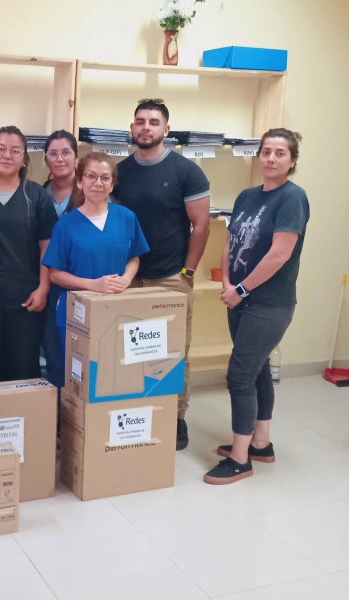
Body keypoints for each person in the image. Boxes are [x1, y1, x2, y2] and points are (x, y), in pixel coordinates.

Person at [204, 128, 308, 484]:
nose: (271, 159)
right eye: (266, 152)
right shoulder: (248, 196)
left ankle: (239, 458)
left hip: (269, 302)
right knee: (258, 368)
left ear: (292, 161)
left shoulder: (292, 198)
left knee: (239, 375)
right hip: (239, 297)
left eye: (280, 153)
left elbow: (280, 254)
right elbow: (230, 241)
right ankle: (260, 443)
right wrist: (227, 284)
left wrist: (243, 289)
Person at [114, 99, 211, 451]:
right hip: (129, 277)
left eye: (153, 122)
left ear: (166, 130)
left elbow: (201, 225)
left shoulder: (186, 171)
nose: (146, 127)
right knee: (129, 351)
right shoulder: (120, 172)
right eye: (139, 121)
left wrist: (187, 271)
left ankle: (176, 418)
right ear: (132, 128)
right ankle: (136, 413)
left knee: (172, 353)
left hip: (170, 276)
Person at [43, 152, 149, 370]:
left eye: (105, 178)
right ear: (80, 182)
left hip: (116, 307)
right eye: (91, 176)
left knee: (113, 371)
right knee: (78, 374)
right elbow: (55, 274)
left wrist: (127, 279)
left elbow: (134, 257)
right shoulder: (66, 224)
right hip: (78, 311)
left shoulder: (127, 217)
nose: (98, 183)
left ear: (112, 185)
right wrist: (93, 285)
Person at [0, 125, 58, 382]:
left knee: (23, 369)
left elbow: (47, 246)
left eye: (15, 150)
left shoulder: (36, 195)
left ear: (24, 158)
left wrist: (43, 288)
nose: (6, 155)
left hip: (26, 299)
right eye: (0, 149)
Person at [41, 130, 78, 387]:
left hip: (84, 284)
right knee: (54, 355)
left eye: (66, 152)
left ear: (76, 157)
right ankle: (56, 419)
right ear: (46, 159)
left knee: (83, 357)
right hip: (47, 285)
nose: (60, 158)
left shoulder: (94, 196)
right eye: (53, 153)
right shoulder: (36, 195)